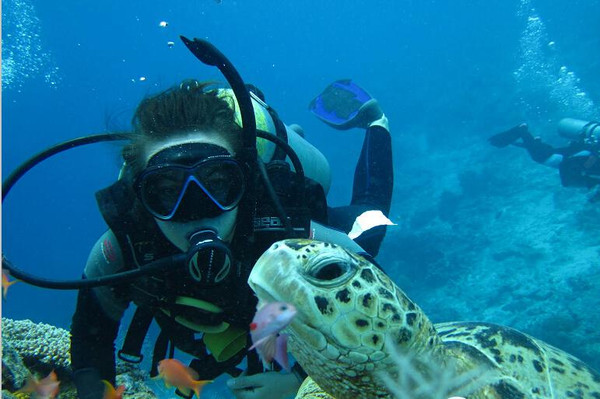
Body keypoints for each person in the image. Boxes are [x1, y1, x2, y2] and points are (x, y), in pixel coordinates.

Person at [69, 77, 394, 399]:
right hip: (234, 322)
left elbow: (380, 315)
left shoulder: (280, 225)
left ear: (243, 181)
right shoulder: (126, 246)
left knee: (371, 223)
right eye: (168, 191)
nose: (196, 210)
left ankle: (374, 122)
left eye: (216, 182)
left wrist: (302, 381)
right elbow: (90, 337)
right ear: (142, 197)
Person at [489, 118, 600, 194]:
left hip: (560, 154)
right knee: (539, 156)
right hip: (553, 156)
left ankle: (532, 141)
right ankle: (522, 131)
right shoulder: (594, 157)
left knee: (537, 151)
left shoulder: (594, 154)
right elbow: (579, 165)